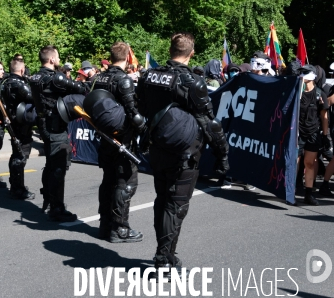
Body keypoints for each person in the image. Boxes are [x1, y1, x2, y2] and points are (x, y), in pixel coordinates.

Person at [137, 33, 229, 275]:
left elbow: (141, 109)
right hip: (184, 151)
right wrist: (223, 156)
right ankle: (164, 258)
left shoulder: (148, 76)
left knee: (162, 200)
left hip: (158, 146)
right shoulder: (192, 83)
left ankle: (166, 252)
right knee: (176, 205)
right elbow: (210, 123)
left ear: (170, 50)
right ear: (191, 53)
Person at [92, 42, 145, 243]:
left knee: (108, 181)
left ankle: (105, 225)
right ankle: (120, 229)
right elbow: (133, 113)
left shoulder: (99, 77)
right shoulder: (123, 80)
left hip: (104, 137)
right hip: (122, 139)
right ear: (127, 57)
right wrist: (145, 132)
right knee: (126, 182)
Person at [30, 45, 88, 221]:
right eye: (58, 57)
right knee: (59, 166)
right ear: (51, 59)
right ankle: (57, 208)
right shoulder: (55, 78)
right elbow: (80, 89)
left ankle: (48, 197)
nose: (59, 60)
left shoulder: (35, 76)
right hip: (55, 125)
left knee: (50, 163)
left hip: (42, 123)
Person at [1, 59, 36, 199]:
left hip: (12, 121)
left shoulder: (4, 83)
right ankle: (18, 188)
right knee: (21, 155)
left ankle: (15, 183)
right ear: (22, 70)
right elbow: (34, 98)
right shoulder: (19, 84)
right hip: (21, 123)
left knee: (16, 153)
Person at [297, 65, 330, 205]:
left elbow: (324, 117)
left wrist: (324, 135)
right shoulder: (296, 92)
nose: (302, 75)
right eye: (301, 72)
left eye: (305, 72)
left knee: (309, 163)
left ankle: (308, 194)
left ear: (313, 76)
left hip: (313, 133)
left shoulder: (320, 94)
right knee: (294, 162)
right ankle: (290, 190)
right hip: (297, 133)